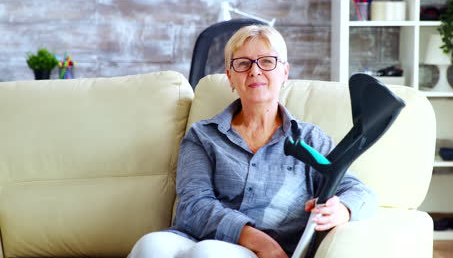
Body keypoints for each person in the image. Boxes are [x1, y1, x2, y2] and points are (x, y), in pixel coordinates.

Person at [128, 25, 378, 258]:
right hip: (200, 239)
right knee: (151, 245)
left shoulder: (310, 140)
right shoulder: (203, 136)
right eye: (243, 64)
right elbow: (193, 205)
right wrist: (255, 238)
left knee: (208, 254)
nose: (255, 70)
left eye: (267, 61)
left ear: (284, 72)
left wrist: (342, 209)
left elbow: (360, 192)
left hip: (259, 253)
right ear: (230, 77)